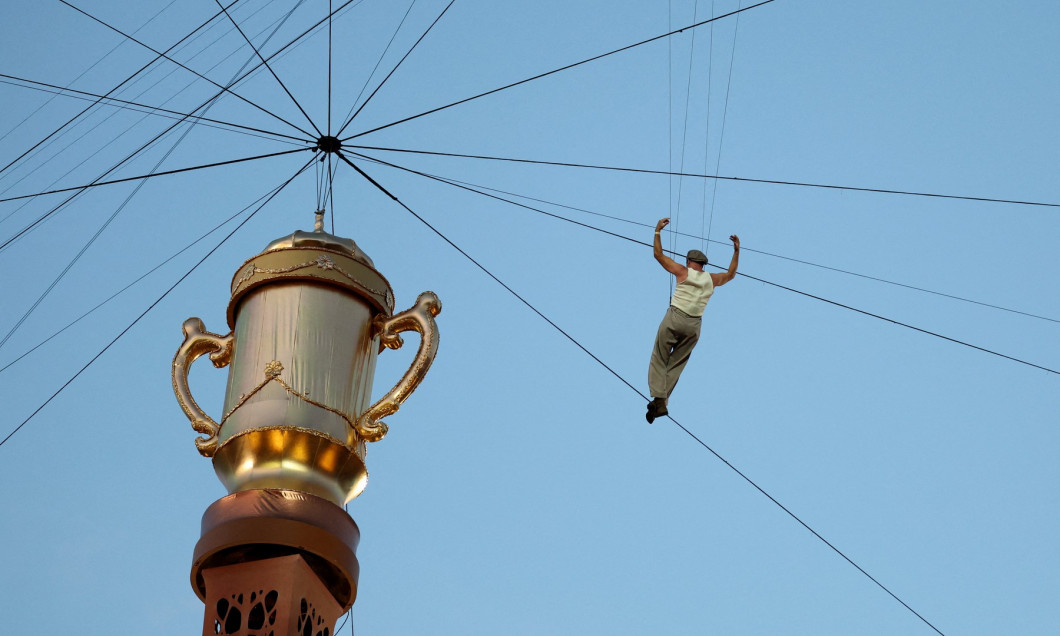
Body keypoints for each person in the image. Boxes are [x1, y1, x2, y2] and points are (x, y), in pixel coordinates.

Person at [646, 217, 739, 423]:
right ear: (704, 265)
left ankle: (659, 398)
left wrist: (657, 232)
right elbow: (731, 274)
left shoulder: (682, 271)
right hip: (694, 326)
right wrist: (736, 251)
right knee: (677, 363)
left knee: (660, 357)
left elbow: (658, 255)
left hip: (675, 317)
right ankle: (660, 403)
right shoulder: (712, 279)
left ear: (689, 262)